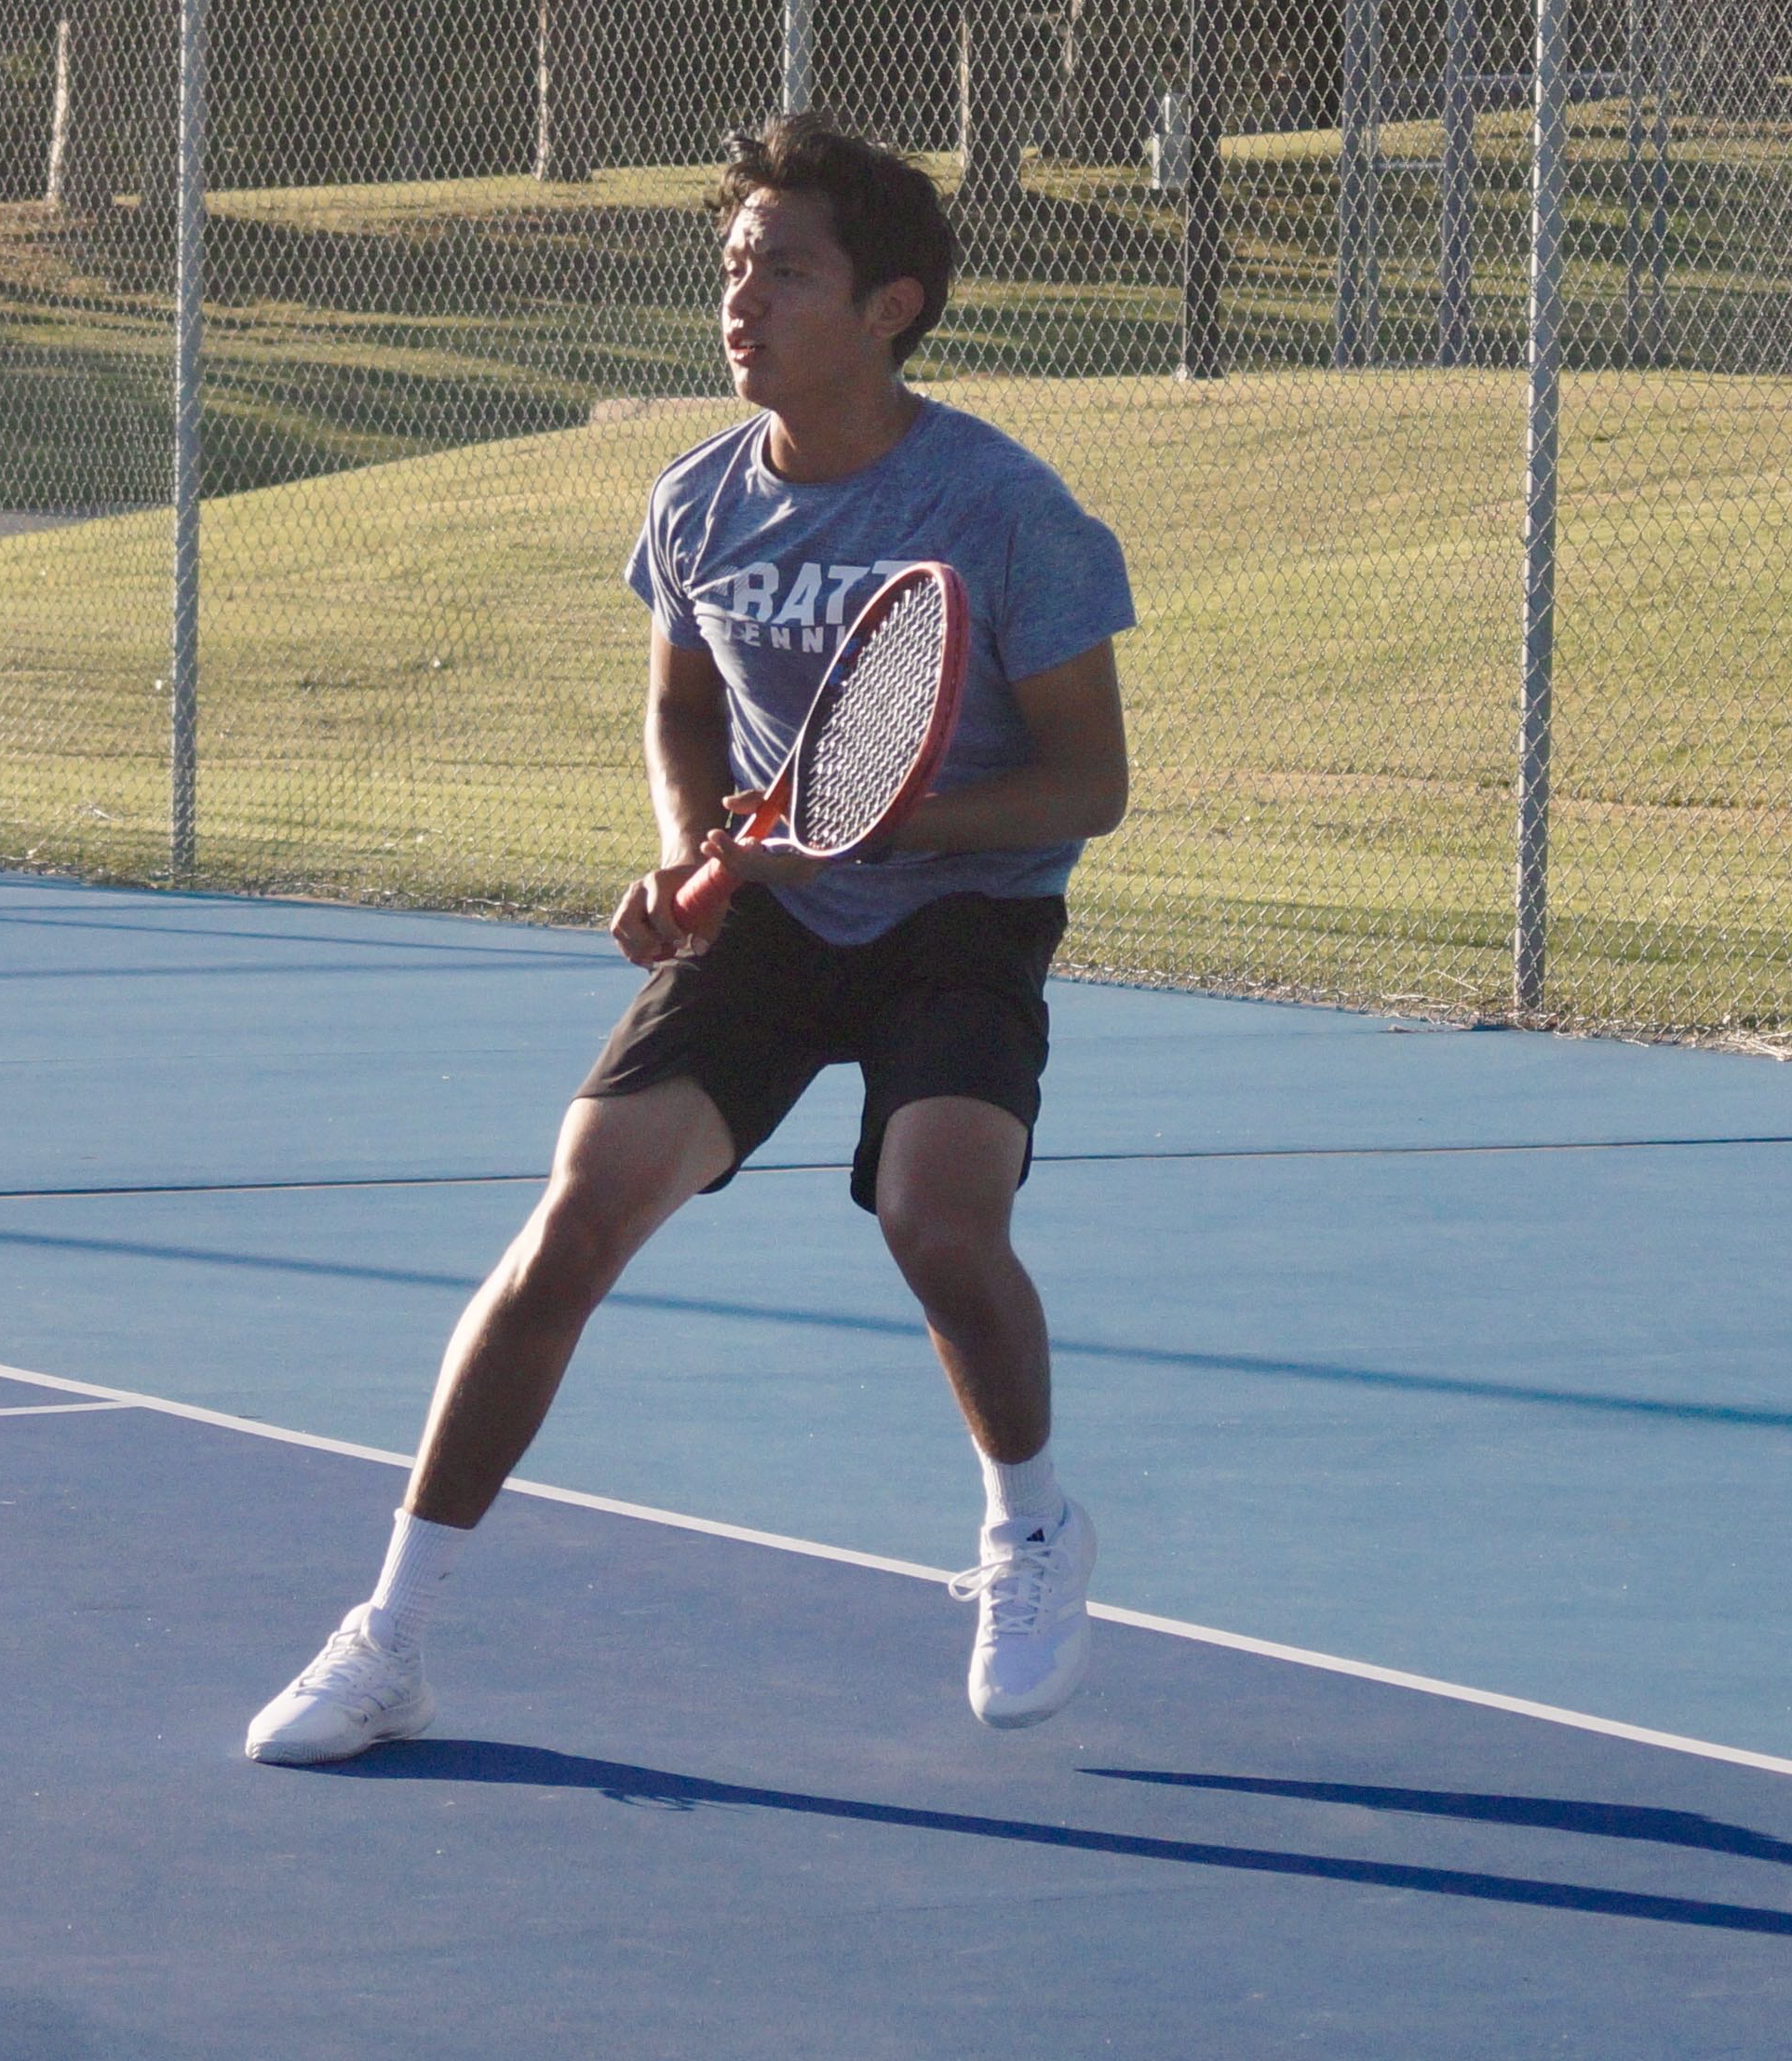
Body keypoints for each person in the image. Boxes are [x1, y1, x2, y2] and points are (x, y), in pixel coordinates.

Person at [244, 113, 1139, 1767]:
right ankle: (390, 1635)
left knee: (940, 1221)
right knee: (571, 1223)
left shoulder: (1005, 508)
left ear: (892, 304)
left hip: (964, 915)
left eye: (785, 271)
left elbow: (1092, 779)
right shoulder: (698, 504)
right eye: (734, 267)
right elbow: (680, 708)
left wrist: (882, 827)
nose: (742, 301)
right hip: (774, 917)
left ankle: (1031, 1526)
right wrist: (684, 858)